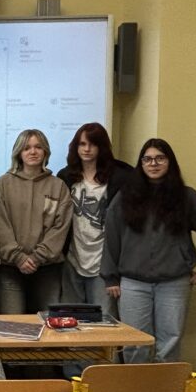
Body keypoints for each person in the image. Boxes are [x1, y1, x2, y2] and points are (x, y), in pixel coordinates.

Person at [101, 138, 196, 363]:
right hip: (133, 284)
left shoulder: (187, 197)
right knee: (135, 342)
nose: (153, 164)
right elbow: (111, 237)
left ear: (169, 162)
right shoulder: (126, 196)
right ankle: (139, 385)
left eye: (159, 158)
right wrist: (110, 277)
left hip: (174, 283)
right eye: (147, 159)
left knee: (170, 342)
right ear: (141, 164)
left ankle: (166, 385)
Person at [0, 129, 72, 314]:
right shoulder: (3, 184)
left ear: (45, 151)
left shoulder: (58, 186)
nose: (33, 152)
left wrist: (37, 257)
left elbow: (60, 227)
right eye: (26, 148)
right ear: (18, 152)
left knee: (48, 323)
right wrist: (18, 257)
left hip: (47, 269)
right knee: (12, 325)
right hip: (10, 269)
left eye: (38, 147)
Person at [56, 122, 131, 317]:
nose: (87, 149)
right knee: (70, 320)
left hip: (103, 263)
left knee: (104, 319)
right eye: (82, 144)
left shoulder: (120, 177)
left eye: (92, 144)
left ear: (101, 147)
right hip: (72, 259)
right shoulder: (66, 176)